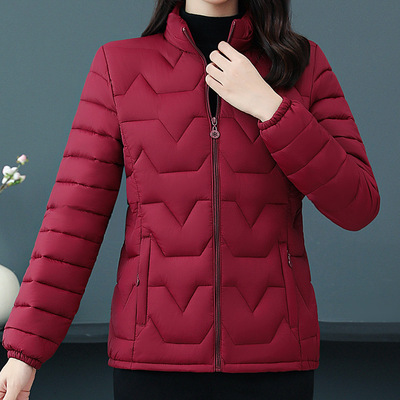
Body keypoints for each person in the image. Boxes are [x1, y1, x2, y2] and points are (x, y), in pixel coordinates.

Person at [0, 0, 380, 399]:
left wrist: (271, 107)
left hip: (276, 361)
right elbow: (73, 219)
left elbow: (358, 206)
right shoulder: (119, 65)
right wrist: (26, 353)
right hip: (151, 361)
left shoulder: (302, 64)